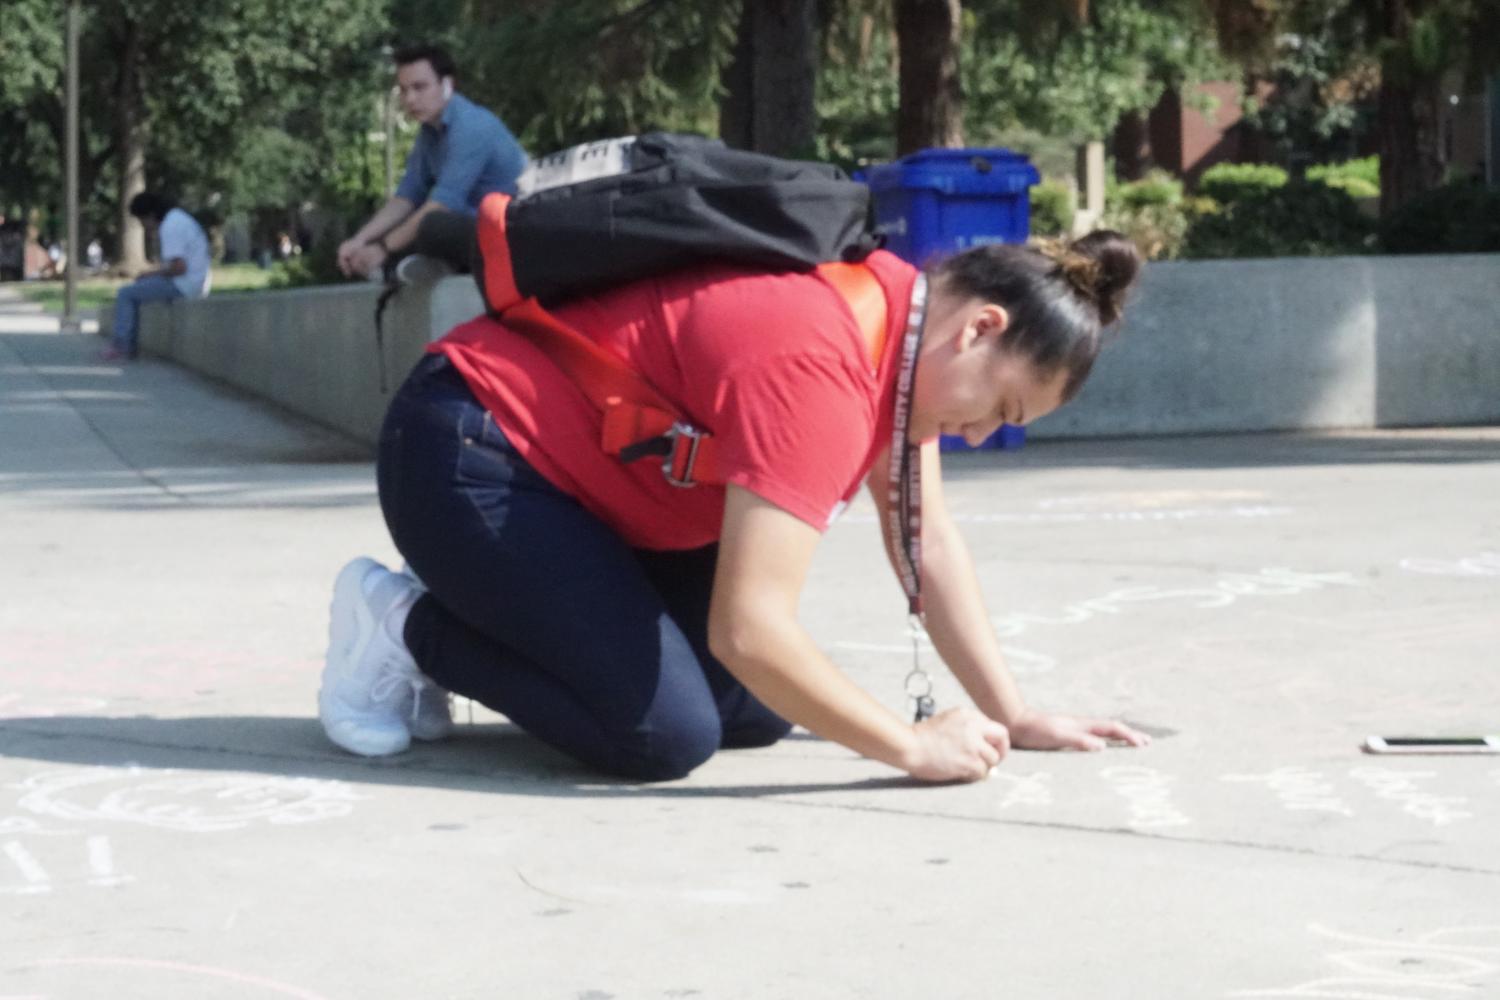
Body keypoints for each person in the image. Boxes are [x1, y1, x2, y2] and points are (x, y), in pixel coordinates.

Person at [317, 232, 1153, 783]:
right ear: (979, 328)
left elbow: (926, 541)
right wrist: (908, 747)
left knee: (750, 711)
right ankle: (403, 626)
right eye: (997, 411)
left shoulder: (897, 332)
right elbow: (749, 628)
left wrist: (1017, 713)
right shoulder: (822, 365)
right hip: (466, 454)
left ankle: (500, 606)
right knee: (662, 736)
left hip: (584, 494)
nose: (974, 437)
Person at [336, 44, 527, 282]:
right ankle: (410, 266)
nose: (410, 99)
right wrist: (360, 240)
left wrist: (383, 248)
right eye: (404, 90)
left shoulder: (472, 126)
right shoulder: (430, 133)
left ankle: (418, 266)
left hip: (510, 234)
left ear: (447, 85)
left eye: (420, 87)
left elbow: (443, 204)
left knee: (433, 226)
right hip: (471, 230)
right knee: (387, 226)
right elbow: (406, 197)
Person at [101, 193, 211, 362]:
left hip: (184, 284)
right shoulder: (179, 218)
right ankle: (126, 344)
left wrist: (150, 273)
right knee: (138, 288)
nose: (145, 227)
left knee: (126, 294)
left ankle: (122, 347)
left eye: (142, 221)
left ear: (151, 216)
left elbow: (179, 268)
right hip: (196, 281)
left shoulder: (170, 226)